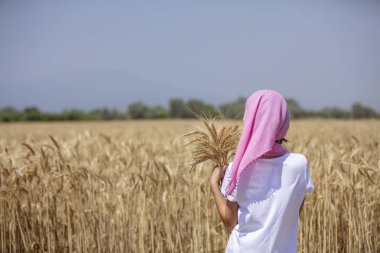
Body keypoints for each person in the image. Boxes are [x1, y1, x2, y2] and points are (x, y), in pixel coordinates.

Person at [210, 90, 315, 253]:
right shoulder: (299, 165)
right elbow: (293, 213)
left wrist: (214, 184)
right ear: (283, 121)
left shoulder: (237, 168)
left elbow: (231, 224)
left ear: (250, 119)